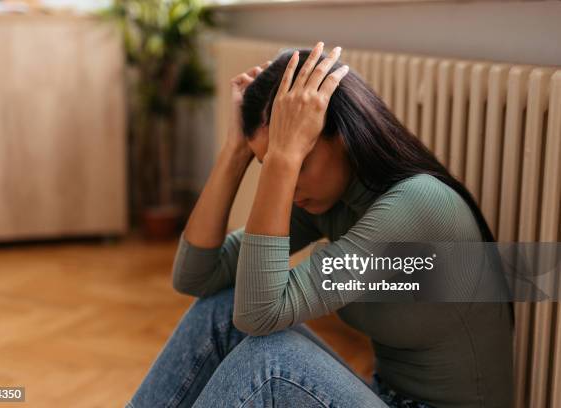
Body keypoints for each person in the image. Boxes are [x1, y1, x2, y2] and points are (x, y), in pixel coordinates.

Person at [127, 42, 514, 408]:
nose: (288, 185)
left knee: (272, 360)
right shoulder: (329, 200)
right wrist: (234, 153)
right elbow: (197, 276)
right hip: (381, 395)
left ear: (343, 137)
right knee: (223, 307)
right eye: (271, 166)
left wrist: (282, 159)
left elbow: (259, 314)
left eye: (299, 161)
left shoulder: (415, 207)